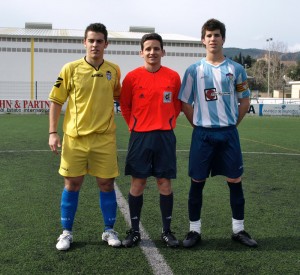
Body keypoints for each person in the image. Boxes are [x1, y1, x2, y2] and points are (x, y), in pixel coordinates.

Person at [178, 19, 257, 248]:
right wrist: (199, 125)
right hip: (203, 135)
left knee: (235, 180)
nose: (213, 39)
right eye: (209, 35)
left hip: (229, 134)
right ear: (203, 40)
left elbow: (244, 100)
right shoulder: (194, 70)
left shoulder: (237, 69)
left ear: (224, 39)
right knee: (197, 181)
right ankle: (194, 231)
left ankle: (239, 229)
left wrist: (233, 123)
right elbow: (185, 101)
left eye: (217, 35)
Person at [48, 23, 122, 251]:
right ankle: (66, 233)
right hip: (75, 139)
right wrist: (53, 132)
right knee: (72, 183)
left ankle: (109, 230)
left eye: (100, 41)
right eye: (91, 40)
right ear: (84, 42)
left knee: (106, 184)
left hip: (104, 139)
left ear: (106, 44)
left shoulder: (114, 70)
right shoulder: (70, 69)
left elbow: (119, 97)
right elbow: (56, 101)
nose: (95, 45)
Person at [120, 33, 182, 248]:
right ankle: (134, 231)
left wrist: (168, 121)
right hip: (140, 137)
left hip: (165, 136)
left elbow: (176, 105)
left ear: (163, 52)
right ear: (141, 53)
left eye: (156, 48)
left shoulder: (173, 77)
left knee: (164, 183)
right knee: (138, 183)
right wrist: (134, 126)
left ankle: (167, 232)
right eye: (148, 49)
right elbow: (125, 105)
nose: (152, 52)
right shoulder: (131, 77)